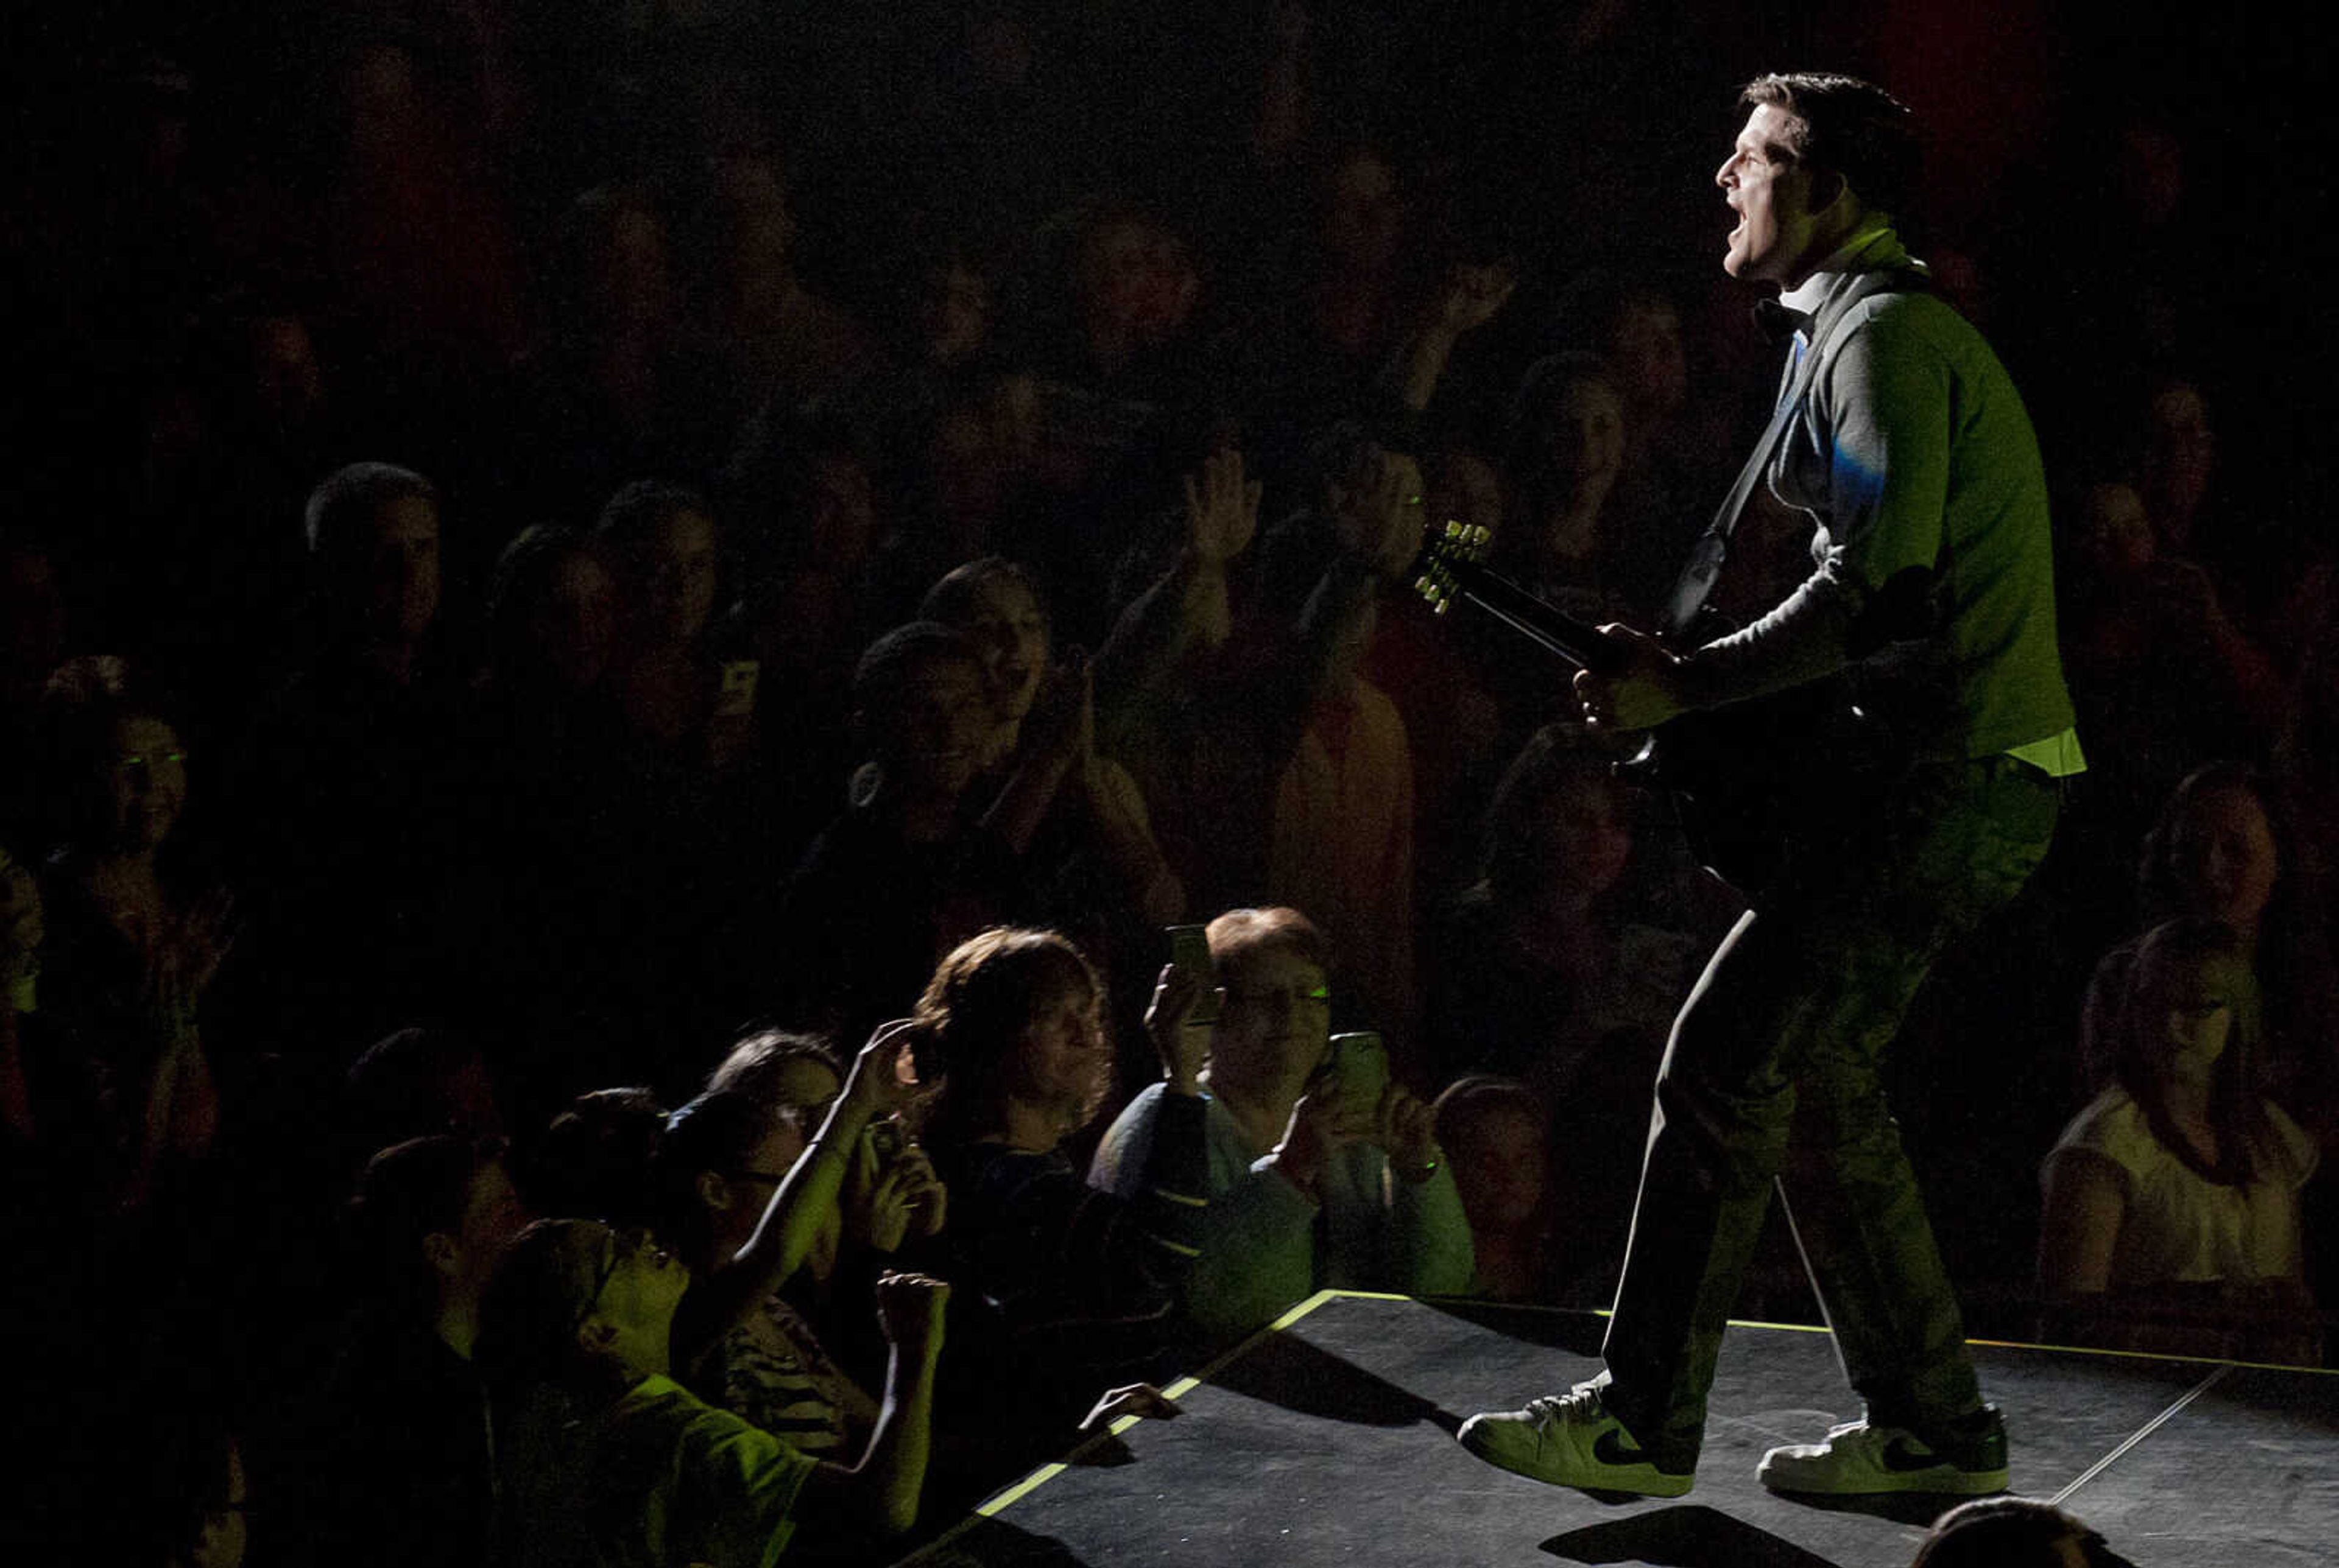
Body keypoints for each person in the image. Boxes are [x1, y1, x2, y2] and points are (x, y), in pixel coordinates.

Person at [1459, 73, 2080, 1499]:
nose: (1722, 185)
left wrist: (1684, 685)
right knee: (1817, 1083)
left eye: (1745, 160)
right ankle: (1929, 1425)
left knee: (1724, 1062)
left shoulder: (1877, 340)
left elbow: (1875, 592)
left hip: (1948, 788)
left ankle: (1635, 1417)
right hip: (1962, 785)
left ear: (1817, 186)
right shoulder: (1843, 336)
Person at [1088, 906, 1470, 1345]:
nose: (1291, 1013)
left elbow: (1439, 1288)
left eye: (1310, 993)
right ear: (1214, 1011)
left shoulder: (1343, 1119)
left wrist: (1418, 1174)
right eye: (1266, 996)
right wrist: (1290, 1170)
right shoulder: (1169, 1117)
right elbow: (1217, 1311)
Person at [2042, 918, 2320, 1363]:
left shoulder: (2269, 1136)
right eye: (2153, 1003)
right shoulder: (2106, 1145)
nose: (2171, 1026)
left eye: (2196, 1007)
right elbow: (2069, 1325)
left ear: (2236, 1013)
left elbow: (2291, 1293)